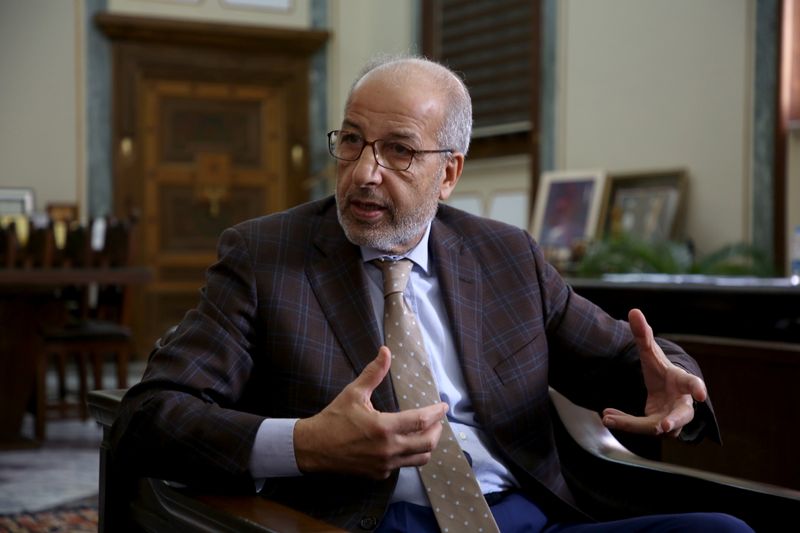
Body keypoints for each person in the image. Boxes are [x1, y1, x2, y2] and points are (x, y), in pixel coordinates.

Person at [111, 56, 752, 532]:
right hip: (359, 523)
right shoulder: (264, 257)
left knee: (724, 532)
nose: (365, 172)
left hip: (527, 517)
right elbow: (151, 416)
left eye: (398, 151)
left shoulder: (506, 257)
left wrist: (673, 381)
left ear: (449, 172)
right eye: (353, 141)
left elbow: (626, 360)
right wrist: (305, 443)